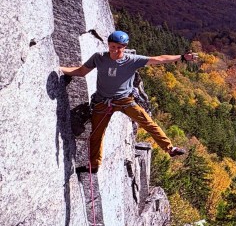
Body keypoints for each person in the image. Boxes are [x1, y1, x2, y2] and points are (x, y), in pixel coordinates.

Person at [60, 30, 197, 173]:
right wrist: (58, 69)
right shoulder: (99, 58)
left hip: (124, 100)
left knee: (147, 122)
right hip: (103, 102)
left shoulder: (132, 60)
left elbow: (159, 59)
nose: (115, 50)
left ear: (124, 47)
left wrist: (182, 57)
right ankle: (94, 165)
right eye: (112, 46)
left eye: (119, 47)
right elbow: (81, 71)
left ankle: (170, 148)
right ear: (108, 45)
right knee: (96, 134)